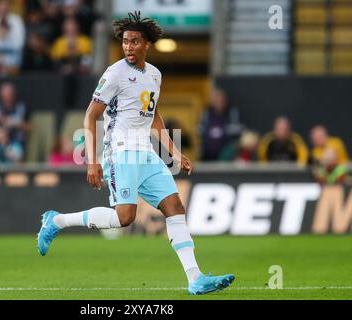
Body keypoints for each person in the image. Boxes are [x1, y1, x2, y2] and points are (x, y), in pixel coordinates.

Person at [36, 11, 235, 295]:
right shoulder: (115, 73)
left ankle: (195, 278)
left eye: (134, 42)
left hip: (146, 152)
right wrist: (92, 160)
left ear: (146, 45)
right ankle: (56, 221)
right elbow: (91, 116)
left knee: (175, 208)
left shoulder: (155, 74)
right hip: (121, 151)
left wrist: (174, 153)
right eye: (125, 42)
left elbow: (153, 116)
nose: (128, 47)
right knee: (125, 217)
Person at [198, 89, 242, 161]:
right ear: (213, 102)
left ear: (225, 101)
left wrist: (224, 131)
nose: (219, 103)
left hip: (225, 149)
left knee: (229, 150)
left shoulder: (231, 113)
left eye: (221, 101)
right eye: (217, 101)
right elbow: (200, 129)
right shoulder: (207, 113)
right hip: (208, 151)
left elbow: (238, 130)